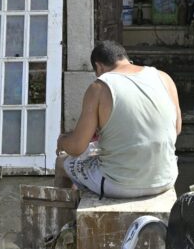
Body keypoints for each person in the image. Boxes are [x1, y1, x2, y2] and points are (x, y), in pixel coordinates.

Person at [56, 40, 181, 199]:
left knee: (62, 164)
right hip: (165, 179)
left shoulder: (99, 87)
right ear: (125, 59)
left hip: (118, 185)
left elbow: (77, 147)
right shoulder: (164, 78)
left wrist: (62, 141)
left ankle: (64, 221)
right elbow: (176, 129)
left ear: (99, 67)